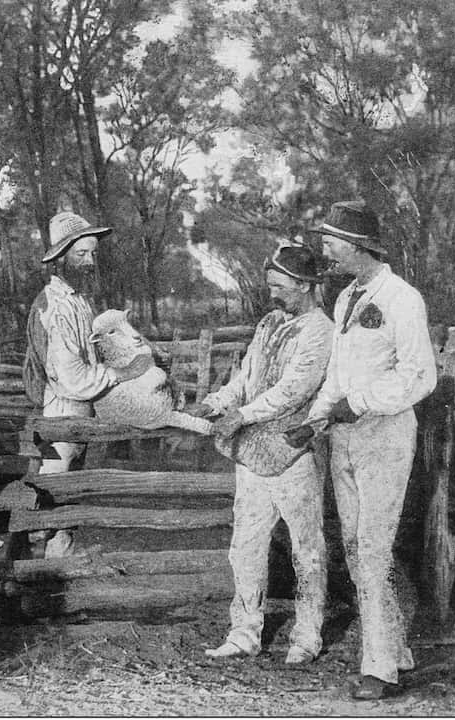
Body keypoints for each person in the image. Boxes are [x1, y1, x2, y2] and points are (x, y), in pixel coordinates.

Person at [286, 200, 437, 700]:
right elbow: (337, 374)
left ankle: (381, 670)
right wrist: (314, 419)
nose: (325, 251)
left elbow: (419, 376)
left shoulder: (402, 298)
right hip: (345, 437)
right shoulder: (346, 297)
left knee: (372, 548)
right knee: (355, 547)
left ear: (357, 246)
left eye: (331, 242)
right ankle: (395, 651)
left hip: (385, 436)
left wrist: (362, 403)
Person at [191, 242, 334, 665]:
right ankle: (244, 632)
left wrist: (241, 415)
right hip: (254, 450)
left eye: (280, 287)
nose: (272, 294)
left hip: (295, 450)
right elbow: (245, 376)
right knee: (246, 543)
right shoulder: (269, 323)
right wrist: (216, 403)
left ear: (305, 285)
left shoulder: (320, 330)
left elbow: (294, 391)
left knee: (306, 546)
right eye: (270, 285)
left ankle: (307, 635)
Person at [23, 212, 122, 474]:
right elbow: (71, 379)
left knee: (74, 483)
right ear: (60, 258)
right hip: (60, 411)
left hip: (82, 409)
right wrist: (120, 374)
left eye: (93, 254)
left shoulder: (79, 300)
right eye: (81, 254)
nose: (90, 262)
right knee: (53, 479)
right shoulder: (55, 307)